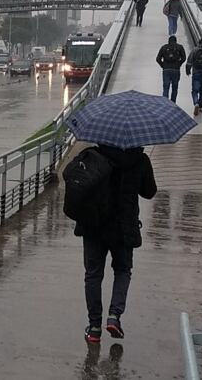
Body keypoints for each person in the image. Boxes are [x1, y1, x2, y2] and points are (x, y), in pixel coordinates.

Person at [77, 144, 157, 344]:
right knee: (122, 270)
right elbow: (149, 192)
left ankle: (94, 328)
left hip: (94, 224)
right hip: (124, 227)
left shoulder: (94, 155)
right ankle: (114, 316)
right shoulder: (139, 159)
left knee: (93, 274)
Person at [155, 35, 186, 102]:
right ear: (176, 41)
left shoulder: (164, 47)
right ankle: (173, 103)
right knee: (175, 88)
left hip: (166, 70)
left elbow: (158, 59)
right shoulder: (180, 47)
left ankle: (165, 102)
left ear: (168, 41)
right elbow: (184, 58)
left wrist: (163, 65)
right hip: (176, 70)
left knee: (166, 87)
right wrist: (179, 64)